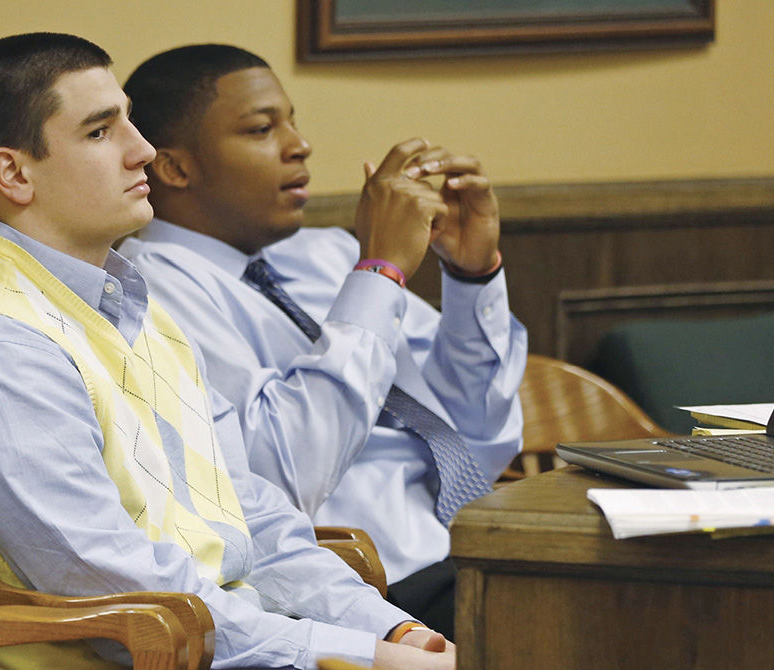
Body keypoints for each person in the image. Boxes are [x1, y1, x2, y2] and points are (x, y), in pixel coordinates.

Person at [0, 32, 454, 670]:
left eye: (129, 120)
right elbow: (131, 601)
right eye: (101, 132)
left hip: (237, 642)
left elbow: (252, 517)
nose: (144, 150)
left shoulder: (136, 306)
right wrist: (358, 657)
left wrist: (396, 633)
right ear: (14, 173)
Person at [118, 44, 528, 639]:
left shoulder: (328, 253)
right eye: (262, 128)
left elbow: (480, 438)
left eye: (292, 120)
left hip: (470, 548)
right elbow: (280, 480)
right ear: (175, 168)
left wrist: (471, 277)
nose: (298, 144)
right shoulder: (153, 290)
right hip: (366, 590)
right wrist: (381, 271)